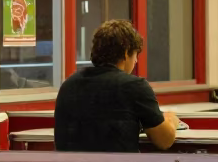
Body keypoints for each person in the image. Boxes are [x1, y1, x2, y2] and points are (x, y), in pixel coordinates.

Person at [54, 19, 179, 152]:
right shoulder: (134, 86)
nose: (136, 61)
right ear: (126, 53)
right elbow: (164, 141)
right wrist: (171, 120)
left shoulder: (69, 85)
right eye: (136, 54)